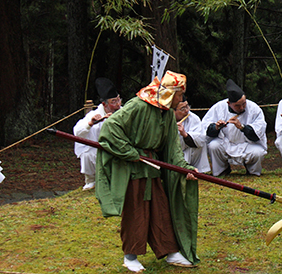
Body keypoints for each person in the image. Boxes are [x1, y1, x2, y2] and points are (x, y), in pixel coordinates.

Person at [96, 71, 199, 272]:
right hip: (133, 166)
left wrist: (184, 167)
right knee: (136, 210)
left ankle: (170, 251)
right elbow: (110, 128)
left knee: (160, 208)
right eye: (179, 95)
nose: (181, 99)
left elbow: (172, 147)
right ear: (170, 93)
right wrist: (131, 152)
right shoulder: (138, 105)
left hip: (152, 166)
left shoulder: (168, 113)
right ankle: (130, 255)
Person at [202, 79, 268, 176]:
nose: (242, 108)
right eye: (237, 106)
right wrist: (216, 127)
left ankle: (252, 171)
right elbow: (205, 128)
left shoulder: (254, 109)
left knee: (257, 152)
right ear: (229, 104)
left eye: (244, 103)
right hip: (225, 142)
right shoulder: (218, 107)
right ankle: (222, 170)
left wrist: (242, 127)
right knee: (213, 145)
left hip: (247, 144)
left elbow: (258, 133)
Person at [73, 78, 122, 190]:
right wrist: (91, 123)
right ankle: (91, 180)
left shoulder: (123, 112)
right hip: (100, 150)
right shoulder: (95, 114)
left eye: (118, 100)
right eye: (113, 102)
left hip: (118, 148)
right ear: (104, 104)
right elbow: (77, 132)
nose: (118, 104)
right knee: (87, 153)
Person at [174, 95, 211, 174]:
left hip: (189, 151)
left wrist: (185, 134)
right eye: (182, 109)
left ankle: (197, 170)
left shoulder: (193, 118)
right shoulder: (166, 120)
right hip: (173, 153)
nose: (187, 110)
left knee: (198, 144)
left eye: (187, 106)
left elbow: (200, 139)